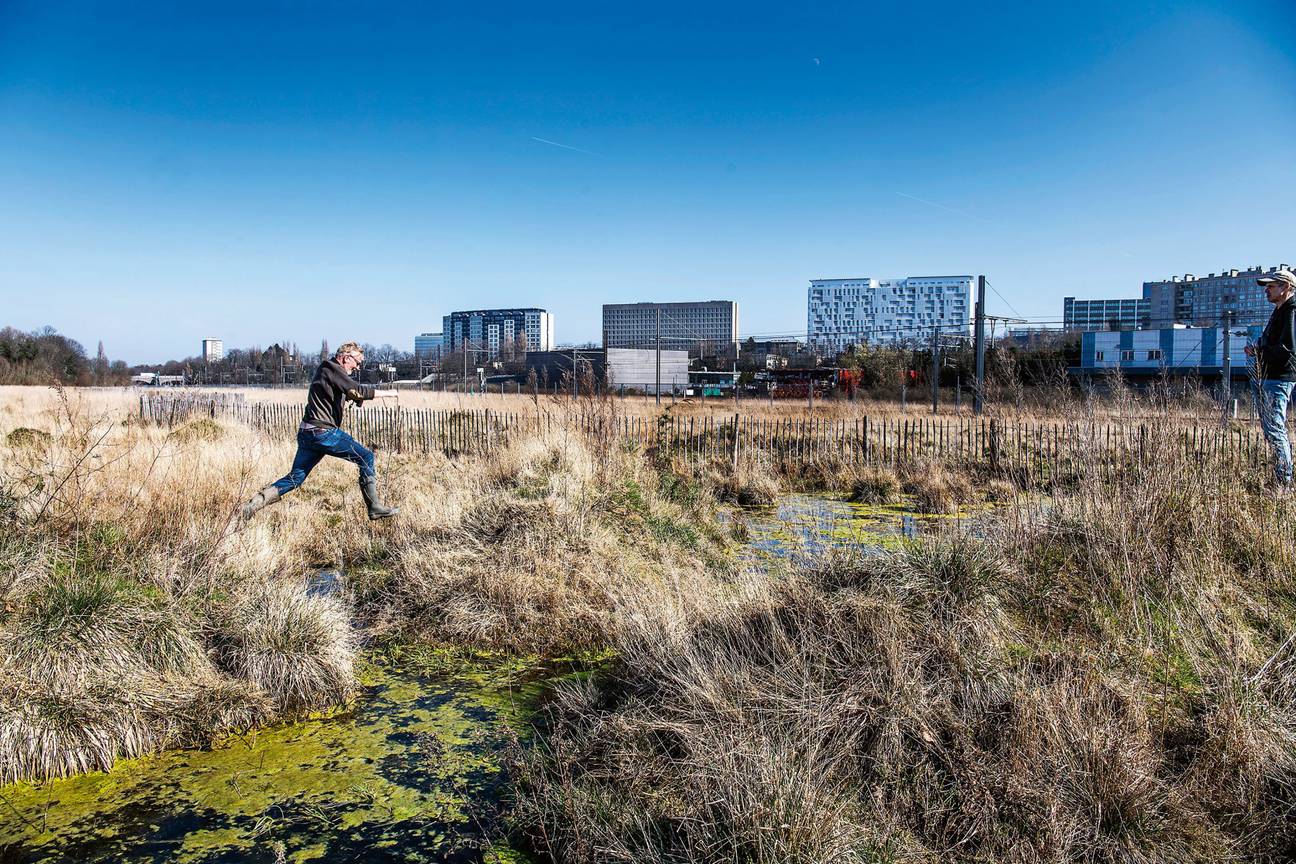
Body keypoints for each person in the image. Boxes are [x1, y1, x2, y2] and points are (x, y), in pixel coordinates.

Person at [242, 342, 400, 520]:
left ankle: (252, 505)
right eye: (357, 362)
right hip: (323, 432)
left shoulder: (326, 370)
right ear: (346, 357)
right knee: (366, 457)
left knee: (295, 478)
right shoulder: (332, 368)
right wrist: (390, 393)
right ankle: (375, 507)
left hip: (307, 434)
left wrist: (351, 397)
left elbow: (345, 391)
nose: (358, 367)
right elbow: (357, 390)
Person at [1245, 269, 1296, 486]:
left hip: (1278, 377)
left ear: (1285, 287)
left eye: (1271, 286)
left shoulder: (1291, 311)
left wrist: (1259, 352)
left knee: (1275, 429)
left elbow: (1289, 349)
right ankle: (1282, 476)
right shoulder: (1281, 310)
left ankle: (1283, 482)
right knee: (1271, 428)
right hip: (1271, 376)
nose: (1266, 290)